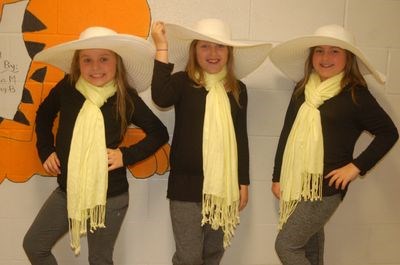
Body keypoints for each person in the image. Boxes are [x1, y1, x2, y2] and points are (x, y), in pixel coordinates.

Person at [23, 26, 169, 265]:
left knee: (100, 260)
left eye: (103, 59)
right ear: (77, 62)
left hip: (110, 197)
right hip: (68, 190)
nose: (95, 67)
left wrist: (125, 156)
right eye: (87, 60)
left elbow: (159, 133)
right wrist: (46, 150)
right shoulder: (68, 87)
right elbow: (43, 115)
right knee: (34, 245)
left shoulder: (125, 96)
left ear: (116, 62)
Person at [269, 24, 399, 265]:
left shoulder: (355, 94)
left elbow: (389, 133)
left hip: (327, 186)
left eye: (334, 51)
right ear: (312, 56)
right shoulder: (301, 89)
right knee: (310, 249)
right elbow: (287, 134)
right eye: (319, 51)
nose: (325, 58)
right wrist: (277, 176)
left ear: (348, 58)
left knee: (286, 246)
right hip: (298, 181)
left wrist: (355, 167)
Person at [151, 18, 272, 265]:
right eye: (205, 46)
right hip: (185, 186)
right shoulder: (183, 82)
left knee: (212, 255)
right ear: (194, 50)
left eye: (220, 47)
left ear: (229, 52)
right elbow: (160, 97)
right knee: (189, 257)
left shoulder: (238, 89)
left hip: (223, 187)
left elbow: (240, 137)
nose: (213, 53)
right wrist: (161, 46)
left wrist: (243, 182)